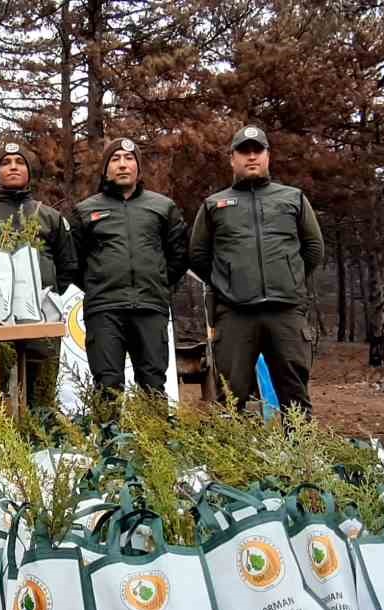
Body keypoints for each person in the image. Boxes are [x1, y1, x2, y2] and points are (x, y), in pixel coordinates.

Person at [188, 125, 324, 416]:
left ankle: (299, 459)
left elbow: (313, 249)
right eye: (244, 151)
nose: (251, 157)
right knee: (229, 397)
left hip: (286, 313)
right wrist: (228, 283)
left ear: (267, 156)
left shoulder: (293, 198)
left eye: (257, 151)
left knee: (295, 397)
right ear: (232, 159)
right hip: (235, 315)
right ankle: (231, 459)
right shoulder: (215, 205)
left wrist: (289, 278)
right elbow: (198, 255)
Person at [70, 137, 189, 395]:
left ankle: (153, 436)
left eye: (129, 158)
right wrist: (99, 282)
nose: (122, 165)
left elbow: (179, 255)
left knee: (153, 386)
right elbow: (74, 262)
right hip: (104, 311)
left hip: (150, 308)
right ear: (105, 169)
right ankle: (108, 436)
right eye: (115, 159)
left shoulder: (163, 207)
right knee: (107, 386)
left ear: (138, 167)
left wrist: (157, 281)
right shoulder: (85, 211)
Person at [0, 140, 78, 405]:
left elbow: (68, 265)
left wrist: (51, 298)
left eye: (19, 163)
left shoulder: (50, 217)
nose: (13, 167)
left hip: (41, 315)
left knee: (40, 389)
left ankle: (40, 439)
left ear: (29, 172)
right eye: (5, 163)